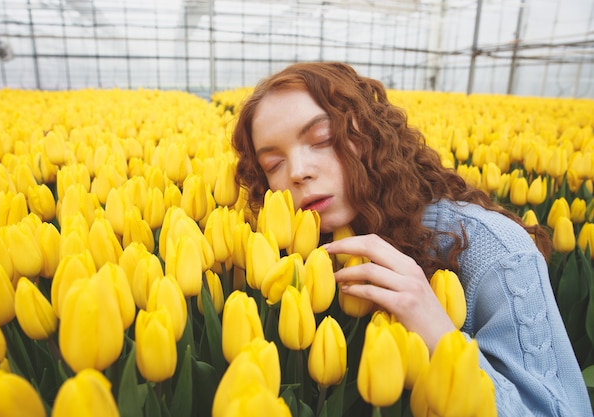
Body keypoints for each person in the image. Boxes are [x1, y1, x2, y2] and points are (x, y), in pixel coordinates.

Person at [231, 61, 592, 416]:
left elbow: (562, 411)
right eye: (274, 164)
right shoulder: (294, 254)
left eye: (322, 139)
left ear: (371, 135)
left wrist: (437, 331)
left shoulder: (494, 249)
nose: (297, 172)